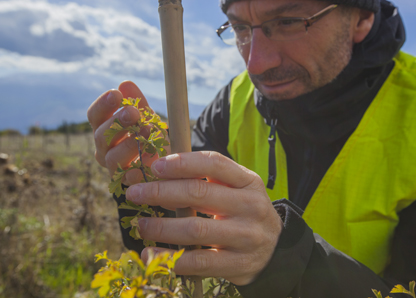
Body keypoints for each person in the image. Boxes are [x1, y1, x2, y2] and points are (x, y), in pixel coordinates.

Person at [87, 0, 416, 296]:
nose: (256, 63)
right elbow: (186, 253)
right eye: (240, 28)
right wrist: (152, 191)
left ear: (361, 18)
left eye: (287, 21)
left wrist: (284, 260)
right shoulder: (231, 104)